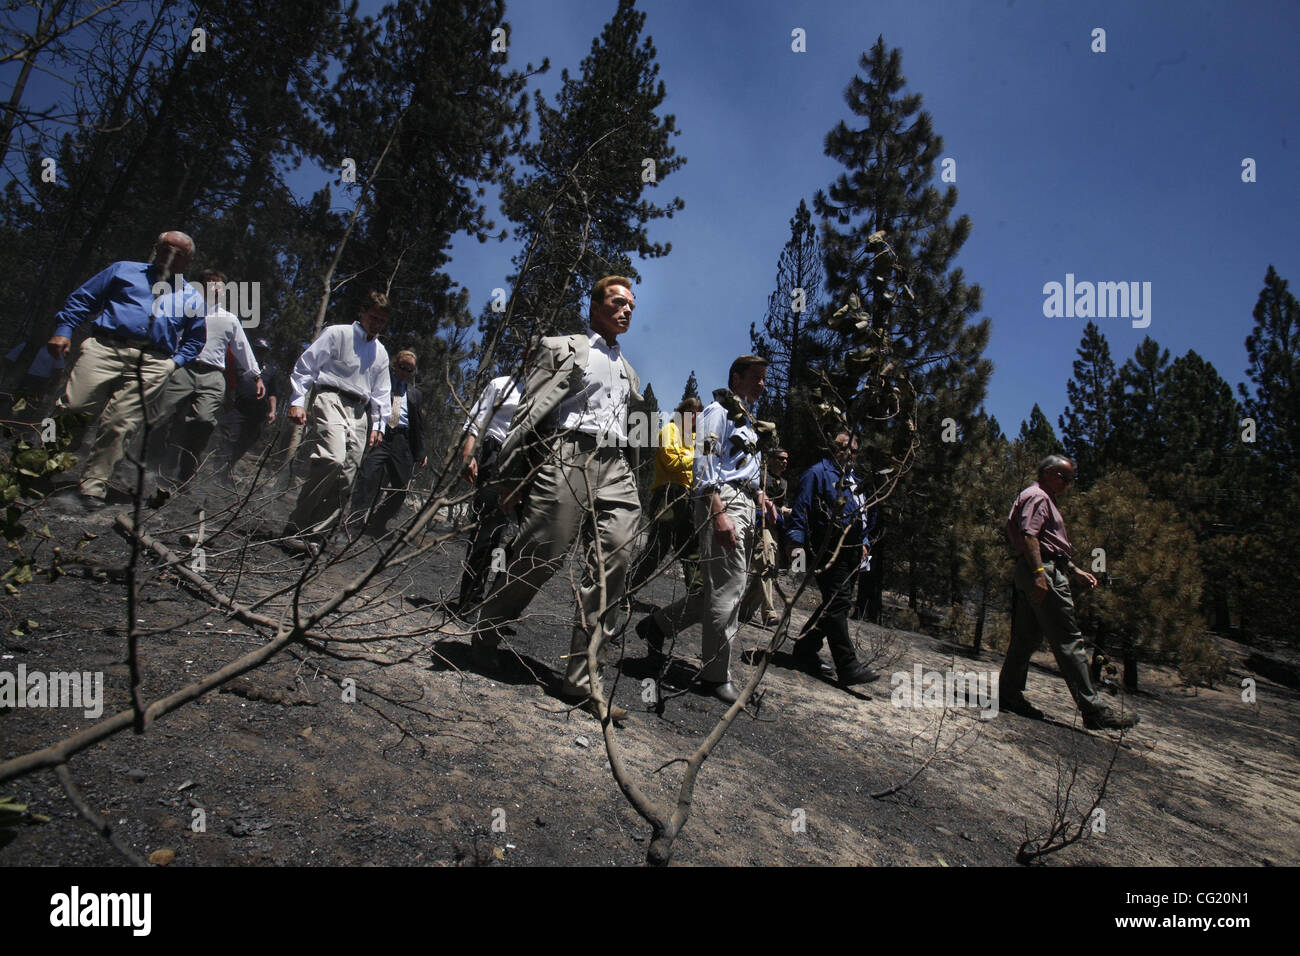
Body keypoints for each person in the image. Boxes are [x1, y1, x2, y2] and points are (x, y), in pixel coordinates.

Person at [468, 276, 643, 723]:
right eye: (618, 302)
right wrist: (511, 476)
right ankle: (487, 629)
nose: (627, 310)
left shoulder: (630, 371)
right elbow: (528, 412)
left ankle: (583, 679)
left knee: (616, 558)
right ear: (595, 306)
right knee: (542, 552)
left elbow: (636, 425)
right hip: (567, 453)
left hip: (616, 463)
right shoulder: (560, 347)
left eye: (632, 305)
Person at [636, 355, 778, 704]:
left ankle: (659, 625)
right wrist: (718, 511)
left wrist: (760, 495)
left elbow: (739, 466)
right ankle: (716, 675)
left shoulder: (747, 420)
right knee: (728, 591)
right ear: (736, 377)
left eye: (765, 378)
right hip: (723, 500)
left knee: (719, 588)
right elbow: (705, 462)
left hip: (743, 501)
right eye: (756, 377)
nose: (762, 384)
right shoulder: (718, 411)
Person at [45, 231, 206, 512]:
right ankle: (45, 464)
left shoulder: (192, 296)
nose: (170, 256)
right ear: (155, 248)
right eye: (165, 249)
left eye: (179, 254)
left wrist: (173, 364)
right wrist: (63, 330)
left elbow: (195, 340)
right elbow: (83, 299)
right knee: (72, 408)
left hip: (153, 362)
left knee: (121, 424)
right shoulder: (123, 270)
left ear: (188, 261)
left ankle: (93, 486)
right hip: (104, 348)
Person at [1002, 455, 1138, 730]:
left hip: (1038, 569)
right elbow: (1030, 536)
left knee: (1025, 638)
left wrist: (1073, 570)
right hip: (1042, 571)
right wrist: (1040, 574)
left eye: (1071, 480)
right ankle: (1093, 709)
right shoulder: (1039, 497)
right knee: (1068, 640)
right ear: (1048, 472)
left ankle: (1008, 695)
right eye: (1064, 478)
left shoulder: (1039, 497)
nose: (1067, 484)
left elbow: (1046, 542)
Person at [282, 291, 392, 546]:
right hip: (331, 397)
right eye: (373, 317)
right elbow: (306, 367)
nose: (376, 324)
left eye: (381, 321)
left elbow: (382, 392)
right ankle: (295, 526)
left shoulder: (381, 352)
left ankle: (315, 533)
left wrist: (379, 425)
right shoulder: (337, 333)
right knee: (332, 458)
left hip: (360, 411)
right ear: (362, 312)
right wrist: (298, 401)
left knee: (347, 474)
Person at [148, 269, 263, 485]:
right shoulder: (185, 310)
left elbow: (242, 347)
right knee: (158, 414)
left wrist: (256, 375)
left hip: (213, 375)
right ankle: (148, 464)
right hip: (182, 368)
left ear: (224, 290)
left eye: (217, 284)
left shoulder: (229, 319)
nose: (212, 287)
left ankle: (186, 472)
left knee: (204, 421)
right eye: (208, 282)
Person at [784, 432, 880, 687]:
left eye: (854, 451)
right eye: (843, 448)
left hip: (853, 550)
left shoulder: (856, 480)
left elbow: (865, 514)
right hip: (827, 547)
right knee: (838, 602)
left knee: (836, 603)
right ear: (832, 448)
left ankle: (805, 648)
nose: (849, 454)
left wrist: (865, 542)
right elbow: (801, 507)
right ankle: (847, 666)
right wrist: (795, 542)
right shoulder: (817, 473)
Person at [455, 361, 527, 614]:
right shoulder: (501, 385)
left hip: (528, 467)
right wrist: (469, 453)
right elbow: (476, 421)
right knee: (489, 532)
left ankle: (496, 601)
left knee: (523, 536)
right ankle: (470, 600)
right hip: (496, 458)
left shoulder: (548, 394)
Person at [624, 396, 703, 601]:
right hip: (668, 493)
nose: (694, 417)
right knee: (658, 547)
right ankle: (625, 592)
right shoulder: (670, 430)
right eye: (690, 413)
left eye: (697, 414)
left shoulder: (694, 438)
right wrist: (697, 457)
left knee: (691, 547)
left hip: (687, 496)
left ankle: (697, 595)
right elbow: (671, 460)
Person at [349, 349, 426, 536]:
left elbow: (418, 425)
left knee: (400, 488)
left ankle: (377, 523)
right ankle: (353, 523)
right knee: (367, 478)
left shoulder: (415, 394)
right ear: (395, 365)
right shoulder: (382, 384)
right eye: (402, 367)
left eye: (410, 370)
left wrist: (421, 452)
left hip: (403, 441)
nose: (405, 372)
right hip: (381, 435)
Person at [215, 336, 278, 481]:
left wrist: (272, 411)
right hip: (237, 408)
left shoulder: (270, 370)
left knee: (246, 442)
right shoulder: (240, 363)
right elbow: (228, 379)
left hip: (257, 414)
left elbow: (273, 393)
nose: (260, 353)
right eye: (258, 350)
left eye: (263, 351)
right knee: (228, 438)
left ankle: (227, 469)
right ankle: (216, 472)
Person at [739, 445, 790, 625]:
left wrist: (786, 511)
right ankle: (769, 613)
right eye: (780, 458)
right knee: (766, 564)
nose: (784, 462)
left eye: (786, 459)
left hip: (774, 526)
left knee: (770, 569)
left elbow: (781, 505)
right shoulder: (760, 475)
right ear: (771, 459)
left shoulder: (784, 483)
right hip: (758, 522)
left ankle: (745, 610)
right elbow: (752, 494)